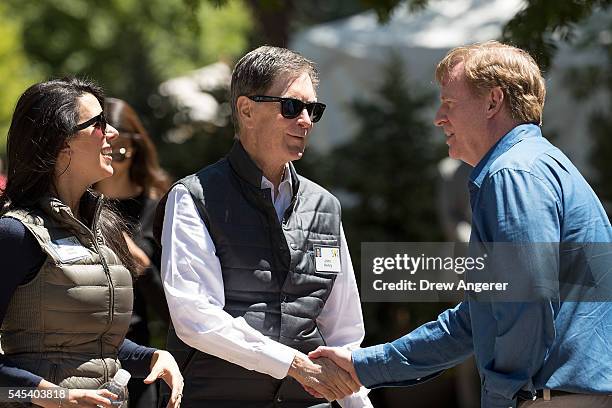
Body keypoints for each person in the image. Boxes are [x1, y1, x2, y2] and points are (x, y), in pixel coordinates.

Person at [309, 41, 612, 408]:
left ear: (493, 101)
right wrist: (364, 365)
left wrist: (503, 393)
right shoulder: (532, 165)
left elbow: (526, 300)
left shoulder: (511, 174)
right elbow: (476, 319)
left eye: (450, 104)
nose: (439, 117)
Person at [154, 46, 372, 408]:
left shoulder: (325, 207)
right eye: (291, 107)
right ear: (246, 109)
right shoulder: (193, 197)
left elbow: (344, 330)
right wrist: (292, 364)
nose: (305, 120)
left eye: (313, 110)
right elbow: (194, 316)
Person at [0, 78, 183, 408]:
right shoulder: (15, 233)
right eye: (99, 124)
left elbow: (95, 344)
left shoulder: (106, 229)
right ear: (62, 142)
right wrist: (52, 395)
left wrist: (153, 357)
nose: (112, 133)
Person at [94, 97, 172, 408]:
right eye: (101, 141)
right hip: (75, 346)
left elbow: (171, 310)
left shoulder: (160, 207)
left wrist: (139, 263)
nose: (111, 152)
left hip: (135, 351)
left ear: (136, 145)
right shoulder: (72, 204)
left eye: (120, 143)